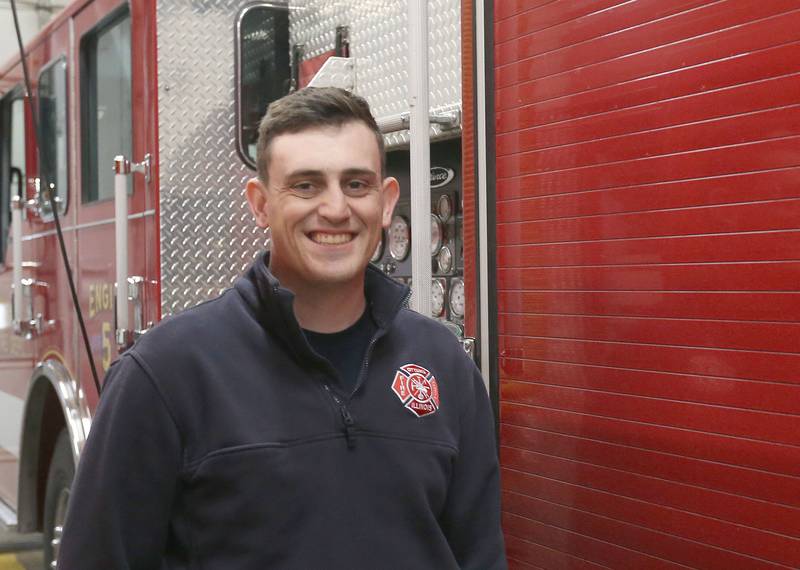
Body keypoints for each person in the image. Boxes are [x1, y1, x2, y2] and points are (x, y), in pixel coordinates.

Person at [58, 87, 506, 569]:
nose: (336, 209)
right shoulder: (165, 375)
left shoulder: (444, 365)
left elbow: (479, 555)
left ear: (385, 201)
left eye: (356, 184)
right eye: (306, 185)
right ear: (260, 203)